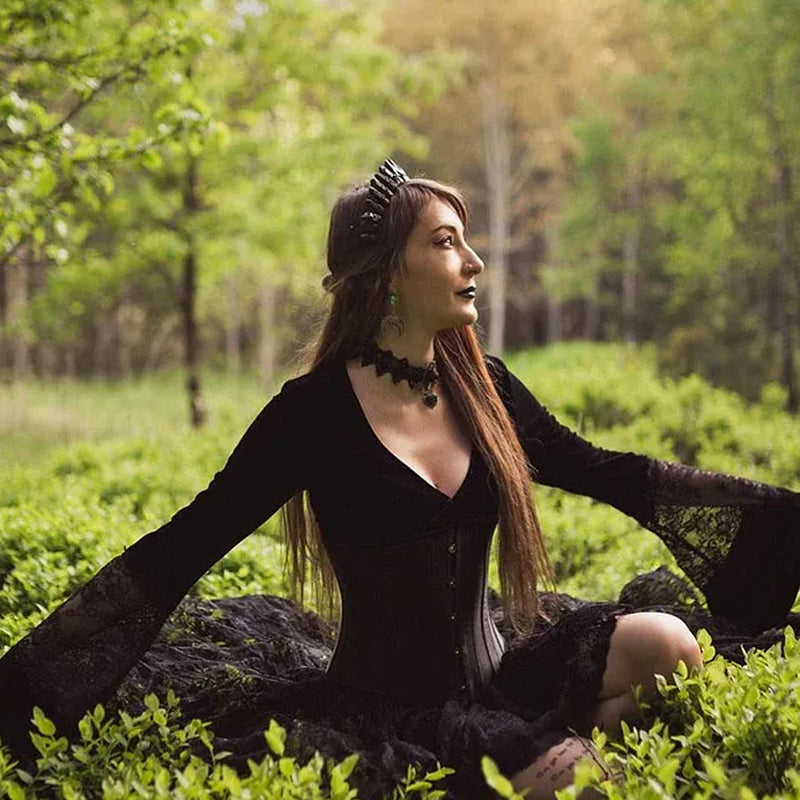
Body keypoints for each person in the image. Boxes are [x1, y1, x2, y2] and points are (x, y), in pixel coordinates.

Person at [1, 160, 800, 800]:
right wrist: (35, 670)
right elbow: (186, 545)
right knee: (582, 785)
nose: (474, 261)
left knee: (670, 644)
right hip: (390, 707)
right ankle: (546, 759)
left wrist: (781, 519)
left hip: (504, 675)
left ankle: (547, 751)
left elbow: (610, 473)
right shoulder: (310, 414)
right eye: (448, 242)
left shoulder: (484, 385)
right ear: (389, 273)